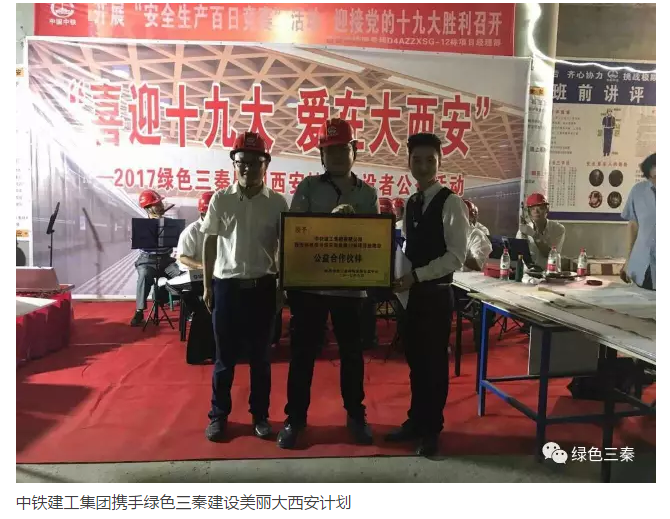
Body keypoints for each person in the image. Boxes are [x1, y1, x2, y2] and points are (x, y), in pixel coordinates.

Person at [277, 118, 379, 449]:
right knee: (303, 356)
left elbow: (375, 240)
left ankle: (355, 416)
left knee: (352, 355)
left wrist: (355, 222)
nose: (336, 156)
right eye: (329, 150)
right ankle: (295, 419)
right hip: (311, 287)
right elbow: (296, 231)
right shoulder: (307, 187)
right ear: (321, 155)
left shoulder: (368, 193)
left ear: (354, 151)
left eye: (342, 149)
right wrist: (328, 222)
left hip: (351, 287)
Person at [201, 132, 288, 442]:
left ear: (266, 164)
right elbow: (209, 243)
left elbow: (285, 247)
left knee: (260, 359)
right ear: (234, 164)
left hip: (263, 288)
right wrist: (207, 286)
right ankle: (218, 415)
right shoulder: (220, 199)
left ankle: (260, 415)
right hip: (226, 288)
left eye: (255, 162)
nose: (248, 168)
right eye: (242, 163)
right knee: (224, 359)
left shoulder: (277, 202)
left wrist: (281, 287)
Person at [386, 132, 468, 456]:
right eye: (416, 160)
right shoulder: (411, 202)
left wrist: (416, 276)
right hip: (411, 297)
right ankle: (416, 421)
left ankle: (432, 429)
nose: (422, 166)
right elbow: (408, 247)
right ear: (408, 162)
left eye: (429, 160)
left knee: (433, 366)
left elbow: (456, 256)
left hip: (436, 295)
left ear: (439, 162)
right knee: (415, 363)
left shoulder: (451, 202)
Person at [131, 189, 181, 327]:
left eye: (160, 203)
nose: (161, 206)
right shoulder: (141, 225)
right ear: (148, 208)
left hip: (166, 261)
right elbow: (138, 243)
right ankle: (139, 311)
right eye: (157, 204)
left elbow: (177, 242)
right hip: (147, 261)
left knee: (181, 275)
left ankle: (188, 308)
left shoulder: (170, 223)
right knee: (144, 275)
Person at [621, 153, 655, 290]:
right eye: (654, 177)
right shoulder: (638, 191)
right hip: (643, 265)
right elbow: (633, 226)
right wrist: (628, 259)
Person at [517, 193, 565, 269]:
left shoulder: (558, 229)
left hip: (550, 272)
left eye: (540, 208)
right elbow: (518, 255)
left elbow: (549, 254)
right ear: (529, 212)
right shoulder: (525, 229)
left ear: (547, 210)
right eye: (533, 209)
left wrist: (533, 234)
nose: (536, 211)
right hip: (529, 273)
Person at [177, 190, 214, 271]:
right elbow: (183, 258)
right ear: (203, 212)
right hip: (193, 273)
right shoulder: (192, 231)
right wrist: (204, 267)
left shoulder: (224, 228)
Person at [462, 199, 493, 272]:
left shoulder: (477, 235)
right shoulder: (450, 233)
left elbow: (478, 264)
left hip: (466, 277)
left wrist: (455, 256)